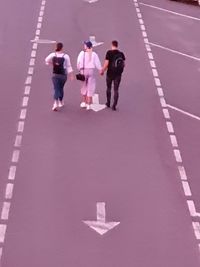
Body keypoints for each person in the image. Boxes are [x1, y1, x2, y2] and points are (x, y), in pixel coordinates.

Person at [45, 42, 73, 111]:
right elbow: (69, 66)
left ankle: (55, 103)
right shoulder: (66, 56)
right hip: (63, 76)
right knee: (61, 88)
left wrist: (53, 64)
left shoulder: (53, 55)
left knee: (56, 88)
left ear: (56, 47)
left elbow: (46, 61)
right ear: (62, 48)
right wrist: (71, 75)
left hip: (55, 75)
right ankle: (60, 102)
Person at [77, 41, 102, 110]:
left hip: (83, 71)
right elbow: (97, 63)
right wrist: (100, 70)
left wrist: (79, 69)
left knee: (84, 86)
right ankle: (89, 104)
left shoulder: (82, 54)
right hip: (91, 71)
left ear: (86, 46)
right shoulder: (94, 54)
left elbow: (78, 63)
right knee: (90, 87)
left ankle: (84, 102)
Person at [101, 40, 125, 111]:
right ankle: (114, 105)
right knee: (116, 89)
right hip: (118, 75)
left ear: (112, 45)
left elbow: (106, 64)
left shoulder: (109, 53)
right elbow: (123, 64)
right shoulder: (121, 54)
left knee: (108, 88)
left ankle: (108, 102)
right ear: (117, 45)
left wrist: (102, 70)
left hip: (110, 74)